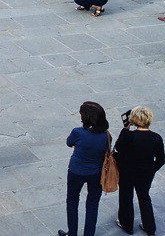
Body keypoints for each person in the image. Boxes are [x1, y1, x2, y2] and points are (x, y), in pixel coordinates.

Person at [57, 101, 109, 236]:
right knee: (93, 203)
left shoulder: (78, 132)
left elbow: (69, 143)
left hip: (76, 171)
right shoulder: (106, 136)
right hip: (96, 173)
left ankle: (72, 233)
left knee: (72, 200)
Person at [114, 106, 165, 236]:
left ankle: (126, 225)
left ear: (133, 120)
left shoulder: (129, 136)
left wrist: (125, 129)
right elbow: (161, 160)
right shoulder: (156, 138)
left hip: (127, 172)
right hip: (145, 174)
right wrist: (151, 169)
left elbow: (118, 149)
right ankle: (150, 228)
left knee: (126, 196)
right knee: (144, 198)